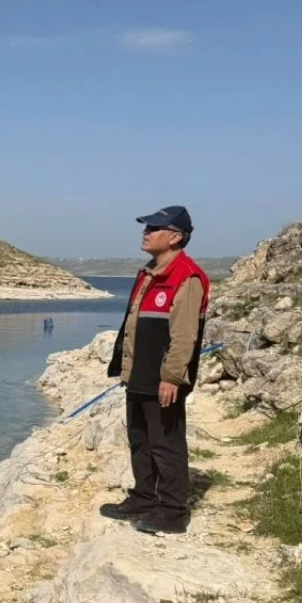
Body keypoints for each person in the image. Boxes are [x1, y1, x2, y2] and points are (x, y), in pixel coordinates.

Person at [99, 206, 210, 534]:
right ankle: (144, 495)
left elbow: (185, 334)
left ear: (175, 237)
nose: (146, 232)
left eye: (155, 228)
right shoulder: (148, 273)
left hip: (163, 378)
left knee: (166, 442)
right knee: (139, 438)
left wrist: (173, 377)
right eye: (147, 227)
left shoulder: (186, 276)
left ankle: (173, 510)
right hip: (138, 374)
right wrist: (125, 369)